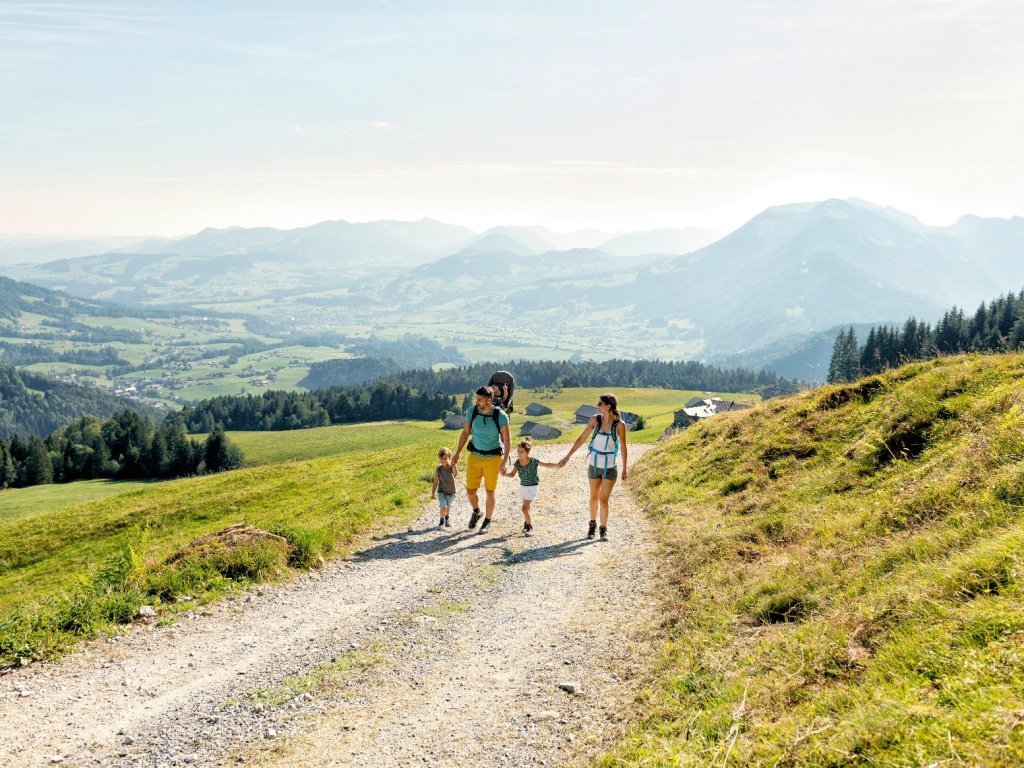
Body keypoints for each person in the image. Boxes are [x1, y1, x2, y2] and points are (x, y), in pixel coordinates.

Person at [559, 393, 628, 541]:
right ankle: (592, 525)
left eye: (600, 404)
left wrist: (624, 468)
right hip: (594, 465)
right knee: (594, 497)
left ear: (608, 406)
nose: (597, 406)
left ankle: (603, 529)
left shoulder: (620, 425)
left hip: (610, 467)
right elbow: (582, 439)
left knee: (603, 500)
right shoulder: (594, 420)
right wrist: (568, 456)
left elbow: (623, 447)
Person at [452, 386, 511, 534]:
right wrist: (457, 453)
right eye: (476, 399)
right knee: (470, 492)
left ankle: (487, 521)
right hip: (475, 456)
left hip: (493, 458)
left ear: (489, 400)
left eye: (480, 399)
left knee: (490, 491)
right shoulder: (472, 412)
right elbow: (466, 432)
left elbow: (508, 441)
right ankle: (477, 511)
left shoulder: (501, 416)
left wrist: (503, 462)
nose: (477, 402)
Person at [502, 437, 560, 536]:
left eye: (522, 451)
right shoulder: (517, 463)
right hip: (523, 487)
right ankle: (526, 522)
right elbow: (512, 475)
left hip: (532, 487)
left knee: (524, 509)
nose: (519, 453)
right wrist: (504, 474)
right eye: (518, 451)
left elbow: (546, 464)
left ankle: (530, 527)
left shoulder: (533, 461)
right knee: (527, 508)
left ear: (527, 452)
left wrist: (557, 465)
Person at [430, 447, 458, 528]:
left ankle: (447, 518)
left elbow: (455, 474)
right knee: (443, 506)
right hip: (441, 491)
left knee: (448, 507)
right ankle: (441, 521)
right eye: (441, 459)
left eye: (445, 458)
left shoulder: (451, 467)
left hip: (451, 492)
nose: (443, 460)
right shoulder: (438, 469)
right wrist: (433, 493)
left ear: (449, 458)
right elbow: (435, 482)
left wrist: (454, 465)